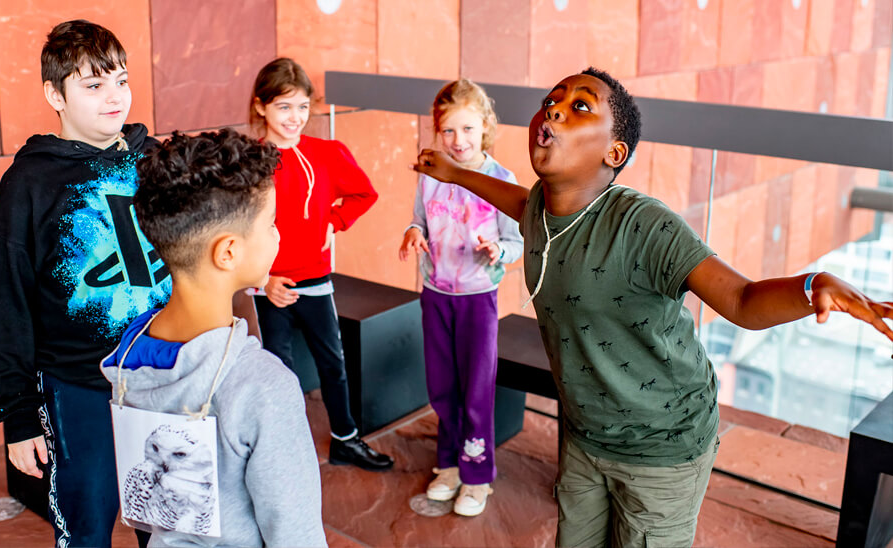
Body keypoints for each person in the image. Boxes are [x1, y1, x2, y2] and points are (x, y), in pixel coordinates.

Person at [414, 67, 893, 546]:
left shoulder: (643, 225)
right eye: (551, 98)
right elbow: (518, 201)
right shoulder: (541, 207)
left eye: (580, 105)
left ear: (614, 152)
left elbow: (741, 300)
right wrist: (455, 174)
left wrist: (811, 287)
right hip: (586, 435)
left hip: (663, 447)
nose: (554, 107)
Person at [0, 20, 170, 547]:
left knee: (171, 525)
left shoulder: (153, 160)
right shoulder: (29, 183)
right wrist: (16, 416)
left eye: (122, 81)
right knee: (87, 526)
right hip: (78, 387)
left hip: (162, 377)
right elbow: (6, 300)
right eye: (93, 85)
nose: (115, 97)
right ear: (53, 94)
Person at [101, 128, 327, 547]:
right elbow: (296, 535)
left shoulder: (129, 356)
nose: (277, 234)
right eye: (270, 224)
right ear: (228, 252)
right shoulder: (264, 386)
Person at [249, 57, 392, 470]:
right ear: (261, 107)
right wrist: (262, 281)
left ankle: (345, 439)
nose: (294, 117)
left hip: (315, 281)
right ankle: (283, 449)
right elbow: (236, 229)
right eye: (283, 107)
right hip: (268, 288)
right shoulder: (250, 161)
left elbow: (365, 194)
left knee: (334, 365)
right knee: (277, 372)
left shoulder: (327, 153)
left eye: (302, 107)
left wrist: (335, 219)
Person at [399, 79, 523, 516]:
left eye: (468, 129)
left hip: (477, 299)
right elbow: (419, 219)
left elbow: (517, 241)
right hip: (436, 295)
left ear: (485, 127)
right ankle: (449, 464)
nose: (458, 141)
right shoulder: (430, 173)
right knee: (442, 385)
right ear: (437, 131)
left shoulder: (502, 181)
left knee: (475, 389)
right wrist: (413, 233)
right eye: (449, 131)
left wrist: (500, 252)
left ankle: (477, 476)